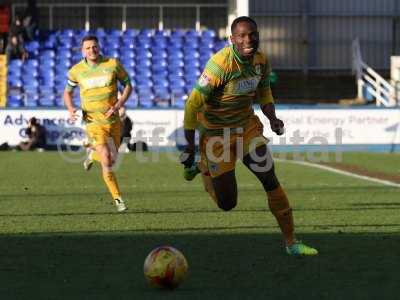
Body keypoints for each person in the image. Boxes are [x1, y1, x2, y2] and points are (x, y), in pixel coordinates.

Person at [180, 16, 318, 256]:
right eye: (242, 36)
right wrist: (190, 147)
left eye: (252, 34)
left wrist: (272, 118)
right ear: (232, 39)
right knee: (227, 203)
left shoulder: (261, 61)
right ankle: (204, 168)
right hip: (215, 135)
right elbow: (192, 104)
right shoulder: (220, 64)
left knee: (269, 177)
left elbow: (264, 92)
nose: (248, 39)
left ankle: (291, 242)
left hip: (246, 128)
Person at [63, 35, 132, 212]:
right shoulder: (76, 71)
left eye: (94, 47)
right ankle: (118, 199)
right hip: (93, 121)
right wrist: (71, 108)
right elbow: (67, 93)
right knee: (107, 160)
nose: (91, 50)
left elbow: (128, 85)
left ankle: (91, 156)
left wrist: (118, 104)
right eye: (87, 48)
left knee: (112, 158)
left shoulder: (112, 64)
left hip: (113, 121)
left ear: (99, 47)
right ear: (82, 51)